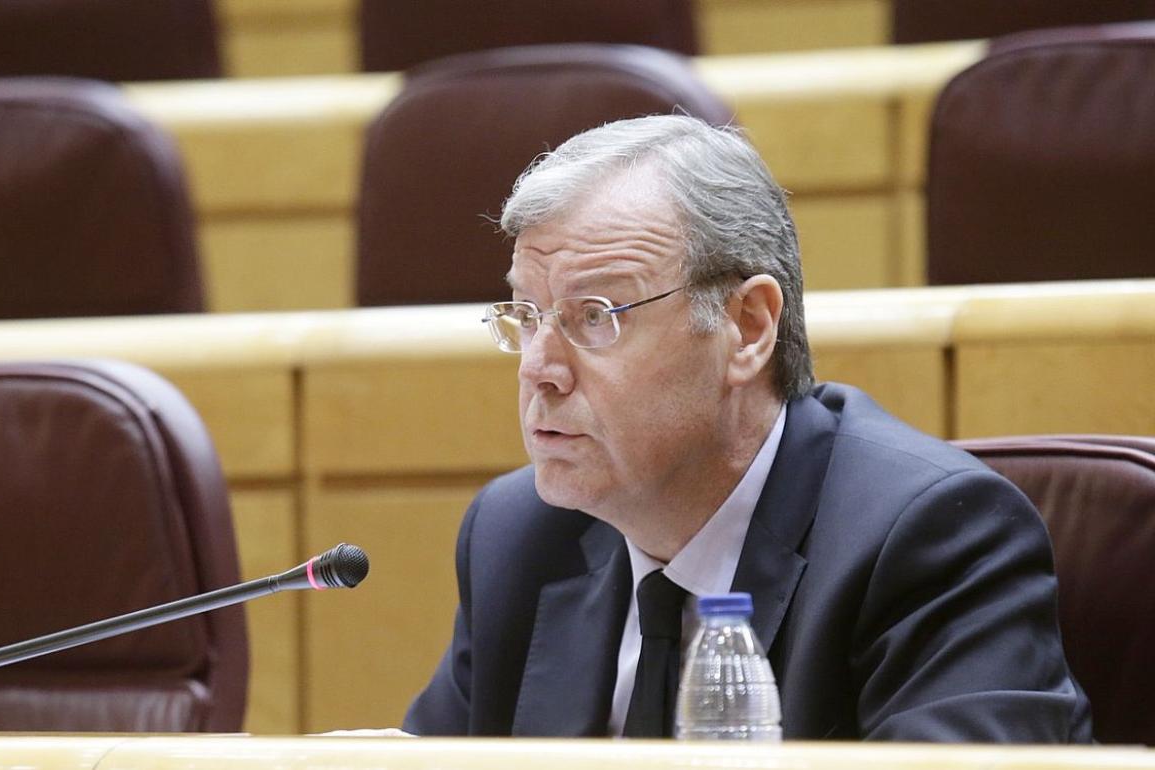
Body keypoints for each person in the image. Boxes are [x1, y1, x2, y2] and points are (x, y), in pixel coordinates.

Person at [403, 114, 1092, 741]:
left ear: (748, 326)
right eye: (525, 316)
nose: (539, 369)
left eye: (595, 316)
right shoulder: (520, 537)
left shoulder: (931, 541)